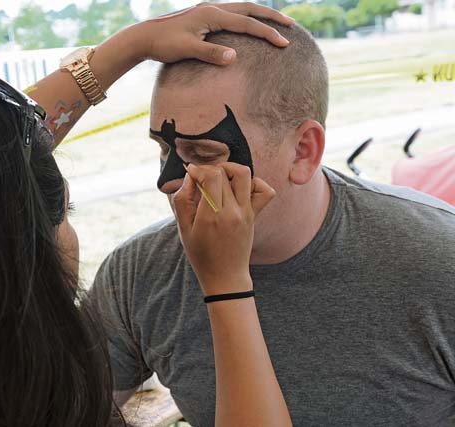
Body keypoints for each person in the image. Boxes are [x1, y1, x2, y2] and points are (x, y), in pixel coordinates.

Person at [0, 4, 295, 427]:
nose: (169, 181)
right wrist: (226, 282)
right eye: (66, 210)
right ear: (6, 261)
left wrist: (131, 45)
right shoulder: (25, 396)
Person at [90, 18, 455, 427]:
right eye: (163, 150)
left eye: (204, 153)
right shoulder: (137, 272)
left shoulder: (440, 260)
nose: (168, 182)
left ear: (303, 150)